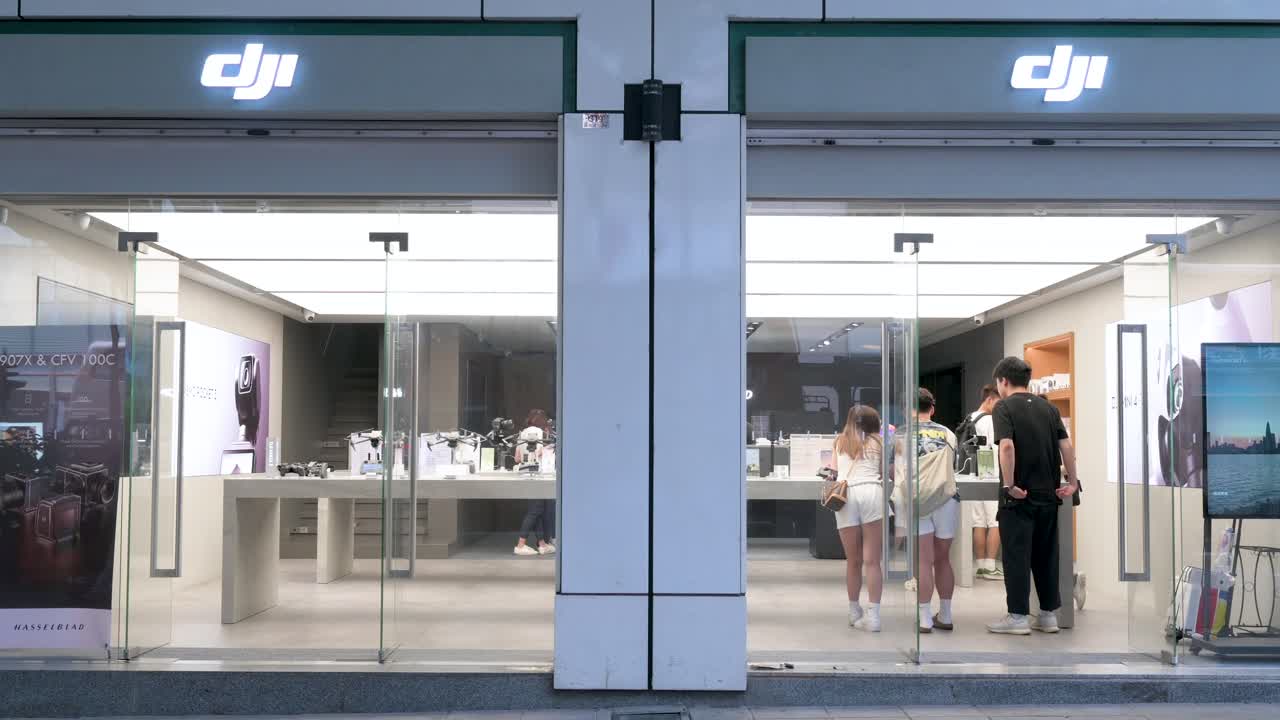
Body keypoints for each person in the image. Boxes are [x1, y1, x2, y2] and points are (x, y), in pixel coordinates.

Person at [987, 357, 1079, 635]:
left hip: (1020, 496)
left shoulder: (1003, 407)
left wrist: (1010, 484)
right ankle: (1048, 615)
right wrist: (1072, 482)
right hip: (1048, 493)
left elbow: (1006, 447)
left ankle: (1017, 617)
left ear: (1003, 381)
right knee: (1046, 555)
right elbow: (1066, 446)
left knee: (1016, 555)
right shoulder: (1048, 408)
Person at [828, 405, 887, 632]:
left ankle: (854, 611)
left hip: (847, 495)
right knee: (873, 561)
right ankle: (874, 617)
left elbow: (832, 472)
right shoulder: (879, 443)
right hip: (872, 492)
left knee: (853, 560)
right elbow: (884, 472)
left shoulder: (839, 442)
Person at [906, 388, 960, 633]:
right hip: (946, 499)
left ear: (909, 409)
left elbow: (895, 470)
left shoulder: (903, 434)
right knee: (943, 559)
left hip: (919, 500)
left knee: (924, 561)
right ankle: (946, 615)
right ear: (932, 409)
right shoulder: (948, 433)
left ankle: (925, 618)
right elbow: (954, 465)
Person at [962, 385, 1002, 581]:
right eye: (998, 403)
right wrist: (989, 475)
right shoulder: (989, 420)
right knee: (996, 521)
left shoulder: (970, 417)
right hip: (990, 475)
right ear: (989, 400)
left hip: (972, 476)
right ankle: (990, 566)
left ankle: (979, 566)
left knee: (978, 521)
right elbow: (992, 448)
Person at [514, 409, 557, 557]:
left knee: (537, 510)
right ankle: (520, 544)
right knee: (535, 511)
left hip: (525, 475)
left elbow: (517, 459)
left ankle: (542, 544)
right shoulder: (542, 434)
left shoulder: (521, 434)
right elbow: (544, 455)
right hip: (539, 475)